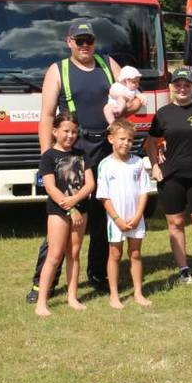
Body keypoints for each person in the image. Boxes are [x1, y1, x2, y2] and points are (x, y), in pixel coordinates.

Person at [27, 20, 140, 304]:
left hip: (106, 145)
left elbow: (134, 100)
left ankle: (98, 273)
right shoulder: (58, 70)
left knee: (103, 212)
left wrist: (128, 105)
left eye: (89, 40)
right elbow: (46, 116)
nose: (85, 45)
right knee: (64, 212)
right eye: (80, 41)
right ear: (69, 42)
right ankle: (44, 283)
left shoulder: (108, 64)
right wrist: (47, 158)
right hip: (72, 150)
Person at [144, 68, 192, 285]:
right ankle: (184, 269)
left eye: (186, 84)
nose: (182, 88)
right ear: (171, 87)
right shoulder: (163, 113)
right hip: (172, 176)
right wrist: (155, 166)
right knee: (175, 222)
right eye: (178, 84)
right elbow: (150, 143)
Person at [34, 112, 96, 317]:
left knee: (74, 253)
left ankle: (72, 296)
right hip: (59, 212)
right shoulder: (48, 156)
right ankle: (41, 302)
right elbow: (51, 188)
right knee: (54, 255)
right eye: (66, 131)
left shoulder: (81, 155)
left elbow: (90, 184)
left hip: (80, 209)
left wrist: (76, 201)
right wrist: (70, 207)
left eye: (74, 132)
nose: (70, 135)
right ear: (55, 131)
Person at [97, 119, 152, 310]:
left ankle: (138, 292)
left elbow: (144, 191)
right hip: (116, 221)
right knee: (115, 254)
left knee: (135, 254)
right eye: (121, 139)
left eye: (129, 140)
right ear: (111, 139)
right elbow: (103, 197)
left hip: (136, 219)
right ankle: (114, 295)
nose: (125, 143)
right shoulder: (105, 165)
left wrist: (138, 216)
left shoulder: (138, 163)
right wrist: (117, 220)